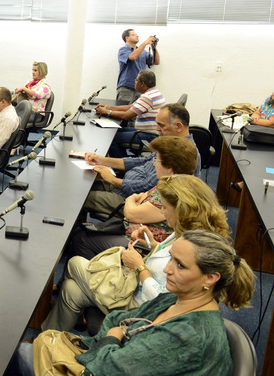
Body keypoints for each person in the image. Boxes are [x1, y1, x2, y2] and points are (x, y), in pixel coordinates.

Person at [18, 229, 254, 376]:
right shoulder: (174, 298)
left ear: (210, 278)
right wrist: (115, 338)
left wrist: (113, 338)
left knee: (19, 354)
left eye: (180, 265)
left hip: (103, 366)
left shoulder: (188, 337)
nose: (168, 269)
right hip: (106, 358)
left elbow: (109, 368)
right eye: (171, 259)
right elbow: (116, 319)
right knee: (35, 346)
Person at [44, 175, 230, 332]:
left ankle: (54, 339)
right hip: (133, 291)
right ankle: (50, 338)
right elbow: (166, 257)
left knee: (75, 262)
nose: (162, 212)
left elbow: (163, 301)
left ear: (182, 210)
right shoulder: (187, 232)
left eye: (165, 208)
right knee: (71, 290)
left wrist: (139, 267)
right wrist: (153, 244)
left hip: (140, 308)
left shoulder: (197, 248)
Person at [69, 136, 198, 260]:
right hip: (135, 231)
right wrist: (134, 217)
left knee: (81, 238)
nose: (154, 164)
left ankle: (96, 273)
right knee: (83, 230)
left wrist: (131, 203)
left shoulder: (172, 192)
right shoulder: (173, 182)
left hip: (142, 246)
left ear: (169, 168)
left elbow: (132, 211)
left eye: (157, 160)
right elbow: (137, 209)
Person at [83, 103, 201, 219]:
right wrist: (102, 160)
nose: (157, 129)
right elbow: (140, 161)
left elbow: (146, 187)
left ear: (178, 126)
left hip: (133, 200)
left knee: (81, 197)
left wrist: (112, 179)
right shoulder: (171, 143)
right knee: (84, 187)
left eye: (161, 125)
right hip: (124, 187)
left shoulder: (181, 153)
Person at [95, 70, 165, 158]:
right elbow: (130, 107)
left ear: (142, 84)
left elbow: (126, 116)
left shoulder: (147, 97)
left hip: (147, 136)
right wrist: (108, 107)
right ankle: (123, 159)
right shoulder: (154, 92)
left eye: (136, 80)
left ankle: (121, 164)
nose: (135, 82)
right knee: (114, 131)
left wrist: (106, 112)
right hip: (147, 132)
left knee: (110, 138)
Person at [116, 28, 160, 104]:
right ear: (127, 38)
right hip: (126, 88)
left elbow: (156, 62)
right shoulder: (123, 50)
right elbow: (133, 57)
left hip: (140, 89)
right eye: (134, 35)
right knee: (123, 109)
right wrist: (145, 43)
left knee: (137, 111)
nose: (137, 36)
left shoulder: (143, 52)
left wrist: (154, 48)